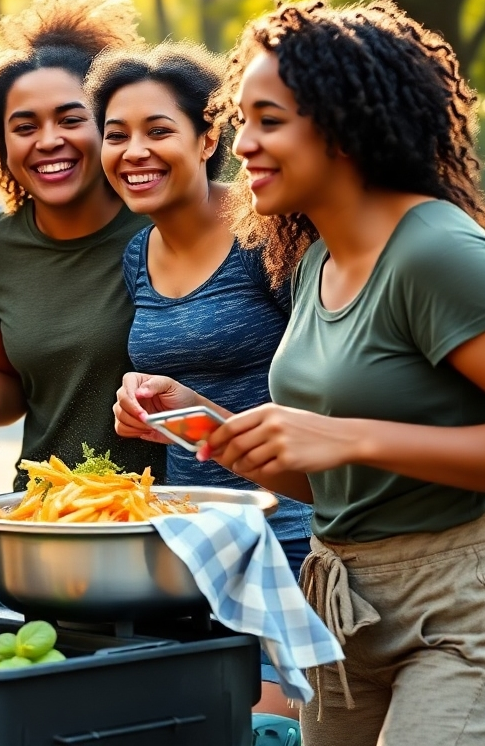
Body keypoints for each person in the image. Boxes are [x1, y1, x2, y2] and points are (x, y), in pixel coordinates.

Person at [113, 0, 485, 745]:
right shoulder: (315, 258)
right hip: (340, 600)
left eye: (270, 120)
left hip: (461, 601)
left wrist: (352, 437)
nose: (244, 144)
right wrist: (211, 424)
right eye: (244, 120)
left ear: (346, 127)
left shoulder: (434, 254)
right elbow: (321, 478)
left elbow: (347, 444)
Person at [84, 41, 311, 715]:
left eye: (159, 131)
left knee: (272, 727)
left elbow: (328, 382)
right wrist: (147, 406)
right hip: (198, 542)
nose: (134, 152)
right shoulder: (136, 254)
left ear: (208, 134)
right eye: (116, 135)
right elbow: (185, 398)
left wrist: (199, 407)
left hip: (293, 533)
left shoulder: (268, 233)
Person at [0, 0, 161, 482]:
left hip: (169, 510)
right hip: (49, 510)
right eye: (24, 127)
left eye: (70, 119)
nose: (48, 141)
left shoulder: (163, 224)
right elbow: (1, 375)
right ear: (1, 143)